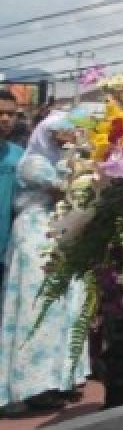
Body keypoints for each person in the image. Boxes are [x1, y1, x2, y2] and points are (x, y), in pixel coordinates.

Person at [0, 112, 91, 413]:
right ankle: (32, 385)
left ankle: (60, 379)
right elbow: (69, 188)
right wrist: (79, 157)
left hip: (63, 236)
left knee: (68, 307)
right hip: (37, 239)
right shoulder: (34, 163)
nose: (66, 138)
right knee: (37, 309)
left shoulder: (73, 162)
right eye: (59, 134)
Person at [0, 90, 23, 288]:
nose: (5, 119)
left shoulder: (20, 156)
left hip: (7, 247)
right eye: (0, 113)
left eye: (11, 114)